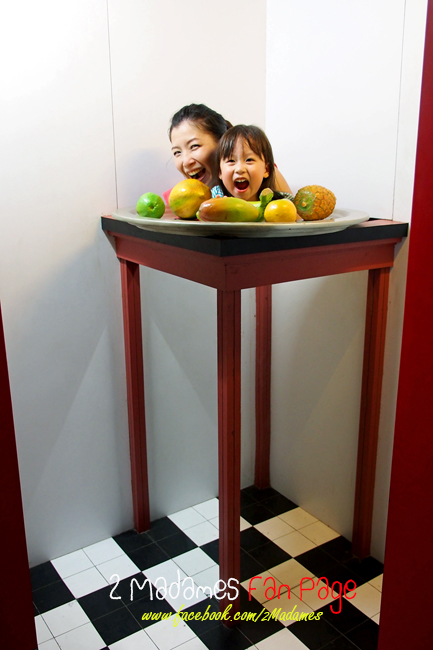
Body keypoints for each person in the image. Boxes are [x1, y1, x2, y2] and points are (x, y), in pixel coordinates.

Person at [165, 104, 291, 204]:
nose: (186, 162)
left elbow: (292, 219)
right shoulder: (179, 199)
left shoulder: (261, 173)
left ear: (222, 143)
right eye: (177, 152)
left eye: (194, 146)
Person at [212, 124, 293, 203]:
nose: (239, 169)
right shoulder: (216, 196)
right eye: (231, 161)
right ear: (220, 172)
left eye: (249, 160)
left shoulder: (283, 202)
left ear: (266, 170)